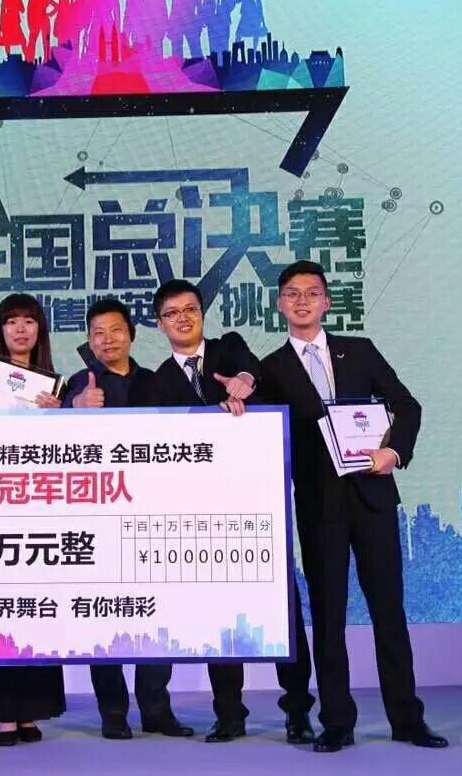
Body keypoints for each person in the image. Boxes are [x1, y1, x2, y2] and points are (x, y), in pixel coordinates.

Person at [260, 260, 448, 753]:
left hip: (372, 497)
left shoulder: (359, 350)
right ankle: (337, 722)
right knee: (328, 617)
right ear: (279, 304)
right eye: (292, 293)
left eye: (312, 292)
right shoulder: (270, 369)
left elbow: (407, 405)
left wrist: (394, 452)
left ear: (326, 301)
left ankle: (407, 719)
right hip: (318, 505)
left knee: (389, 611)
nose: (302, 301)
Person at [139, 278, 317, 745]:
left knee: (283, 612)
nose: (182, 319)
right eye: (172, 313)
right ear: (159, 324)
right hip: (201, 518)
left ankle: (298, 711)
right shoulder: (157, 382)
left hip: (257, 508)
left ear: (202, 313)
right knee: (220, 617)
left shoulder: (228, 349)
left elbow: (249, 369)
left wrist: (245, 382)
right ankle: (229, 715)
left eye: (190, 309)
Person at [62, 298, 193, 741]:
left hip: (153, 517)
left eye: (115, 330)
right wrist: (74, 408)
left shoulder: (158, 382)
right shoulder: (77, 385)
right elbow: (54, 444)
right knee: (103, 617)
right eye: (97, 333)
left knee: (158, 613)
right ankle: (113, 711)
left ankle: (156, 709)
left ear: (132, 335)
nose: (107, 340)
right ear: (89, 340)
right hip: (97, 520)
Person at [0, 293, 66, 746]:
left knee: (37, 609)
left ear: (40, 330)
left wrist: (62, 417)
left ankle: (30, 711)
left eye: (29, 321)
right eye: (11, 322)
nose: (20, 330)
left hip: (40, 505)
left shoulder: (56, 385)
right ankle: (3, 713)